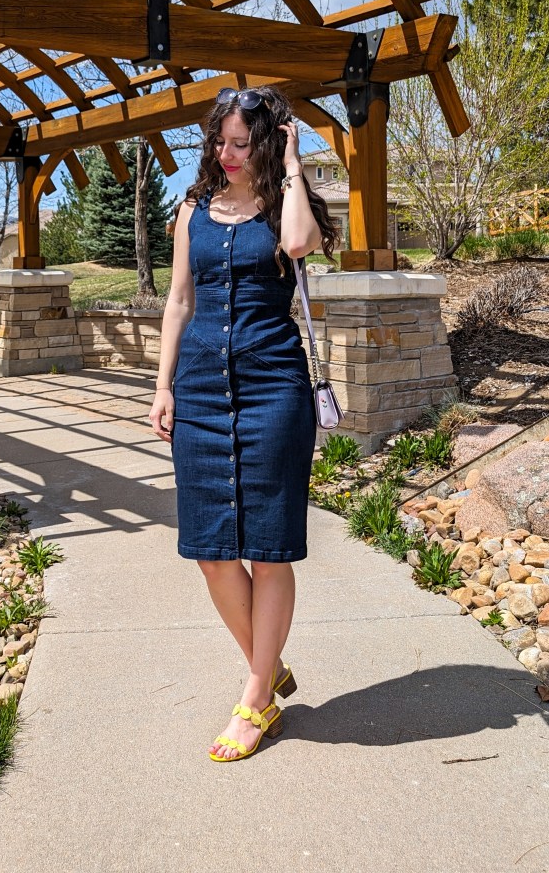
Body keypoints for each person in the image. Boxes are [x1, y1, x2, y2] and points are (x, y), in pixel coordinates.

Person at [148, 85, 339, 762]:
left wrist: (291, 165)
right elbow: (177, 301)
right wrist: (163, 385)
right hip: (198, 386)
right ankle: (270, 661)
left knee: (267, 546)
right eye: (219, 143)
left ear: (263, 143)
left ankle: (256, 695)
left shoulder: (287, 204)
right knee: (210, 550)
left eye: (240, 143)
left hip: (272, 387)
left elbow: (297, 242)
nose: (227, 155)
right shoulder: (192, 209)